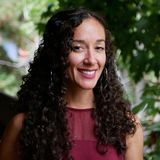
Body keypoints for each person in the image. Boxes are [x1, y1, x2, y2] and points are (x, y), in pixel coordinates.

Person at [0, 8, 143, 160]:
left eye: (99, 48)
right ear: (56, 53)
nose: (91, 60)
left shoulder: (127, 126)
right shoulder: (23, 126)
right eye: (77, 48)